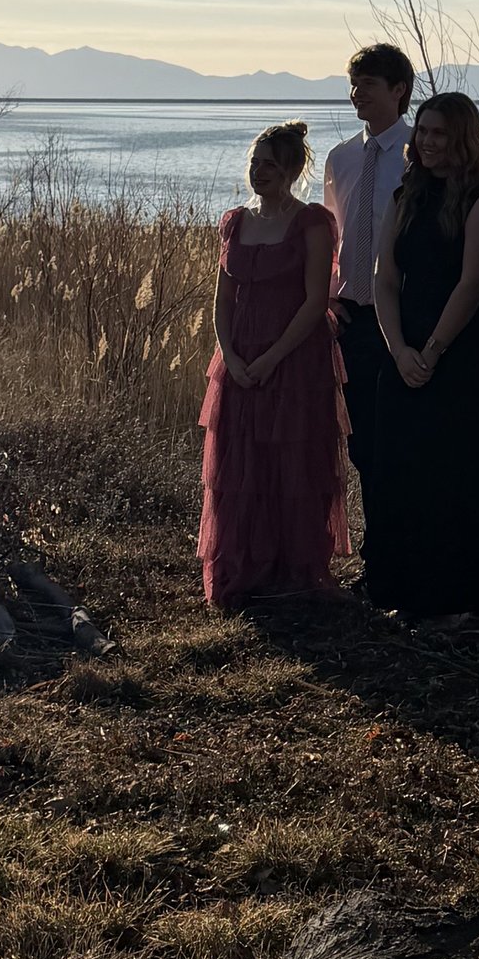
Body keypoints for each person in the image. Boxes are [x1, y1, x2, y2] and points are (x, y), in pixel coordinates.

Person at [367, 88, 479, 623]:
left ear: (463, 138)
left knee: (455, 473)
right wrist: (399, 349)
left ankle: (458, 597)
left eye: (439, 133)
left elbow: (474, 282)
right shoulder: (408, 193)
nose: (426, 142)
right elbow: (385, 278)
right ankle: (403, 588)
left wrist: (431, 352)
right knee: (401, 469)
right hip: (401, 345)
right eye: (422, 131)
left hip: (461, 350)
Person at [198, 122, 346, 608]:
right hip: (239, 356)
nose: (258, 172)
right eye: (254, 163)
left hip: (294, 357)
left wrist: (271, 358)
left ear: (291, 170)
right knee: (241, 463)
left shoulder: (312, 223)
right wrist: (233, 357)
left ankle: (293, 569)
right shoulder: (235, 221)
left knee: (293, 462)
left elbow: (313, 301)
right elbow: (221, 299)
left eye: (269, 165)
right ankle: (245, 565)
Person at [321, 44, 413, 570]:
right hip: (352, 317)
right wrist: (331, 303)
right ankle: (378, 557)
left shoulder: (416, 155)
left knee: (398, 443)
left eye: (368, 85)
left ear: (398, 90)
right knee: (361, 447)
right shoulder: (342, 158)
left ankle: (399, 557)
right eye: (353, 84)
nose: (357, 94)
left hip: (400, 318)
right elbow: (333, 234)